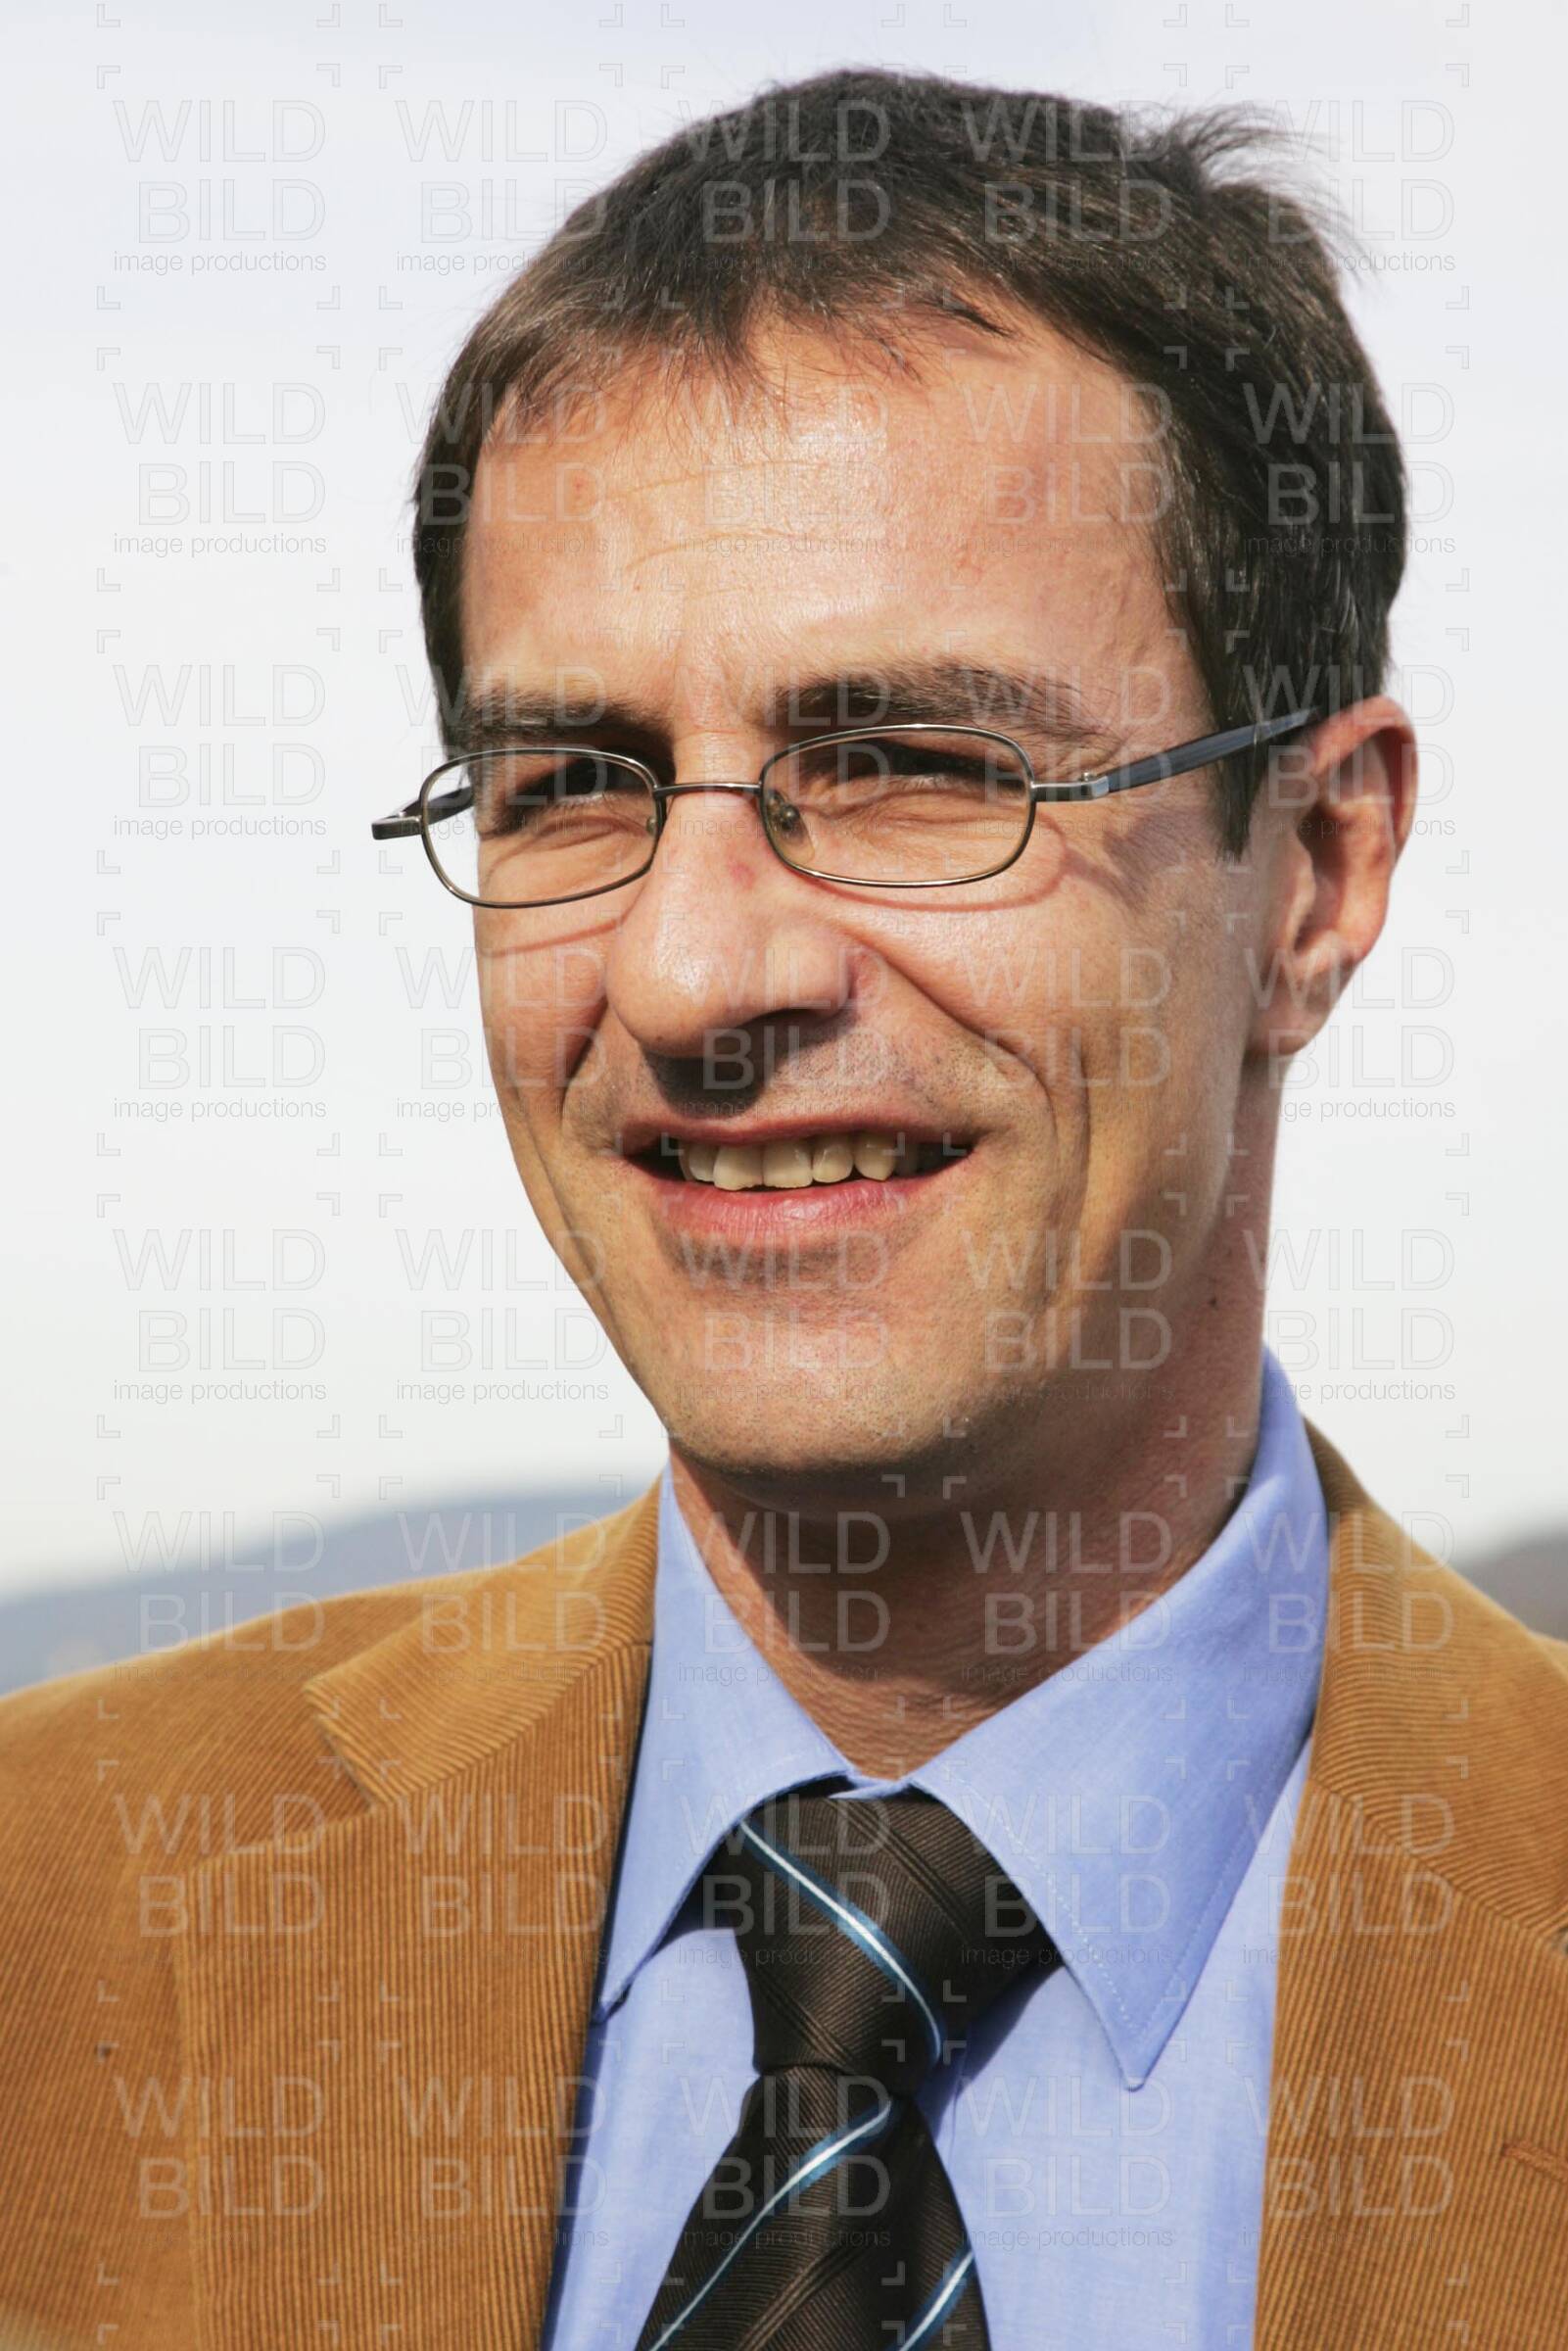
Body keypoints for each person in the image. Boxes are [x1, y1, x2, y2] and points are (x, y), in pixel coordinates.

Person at [3, 64, 1565, 2351]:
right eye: (572, 785)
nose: (693, 971)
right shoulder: (52, 1915)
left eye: (912, 767)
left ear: (1318, 873)